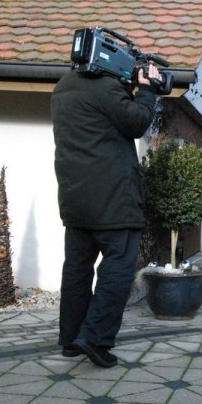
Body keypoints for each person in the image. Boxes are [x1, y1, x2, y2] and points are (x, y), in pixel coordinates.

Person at [51, 62, 161, 368]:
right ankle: (96, 337)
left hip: (75, 198)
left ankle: (71, 339)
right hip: (114, 200)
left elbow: (105, 119)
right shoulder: (105, 88)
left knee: (77, 268)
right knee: (118, 267)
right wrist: (148, 90)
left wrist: (128, 89)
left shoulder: (63, 87)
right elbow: (136, 122)